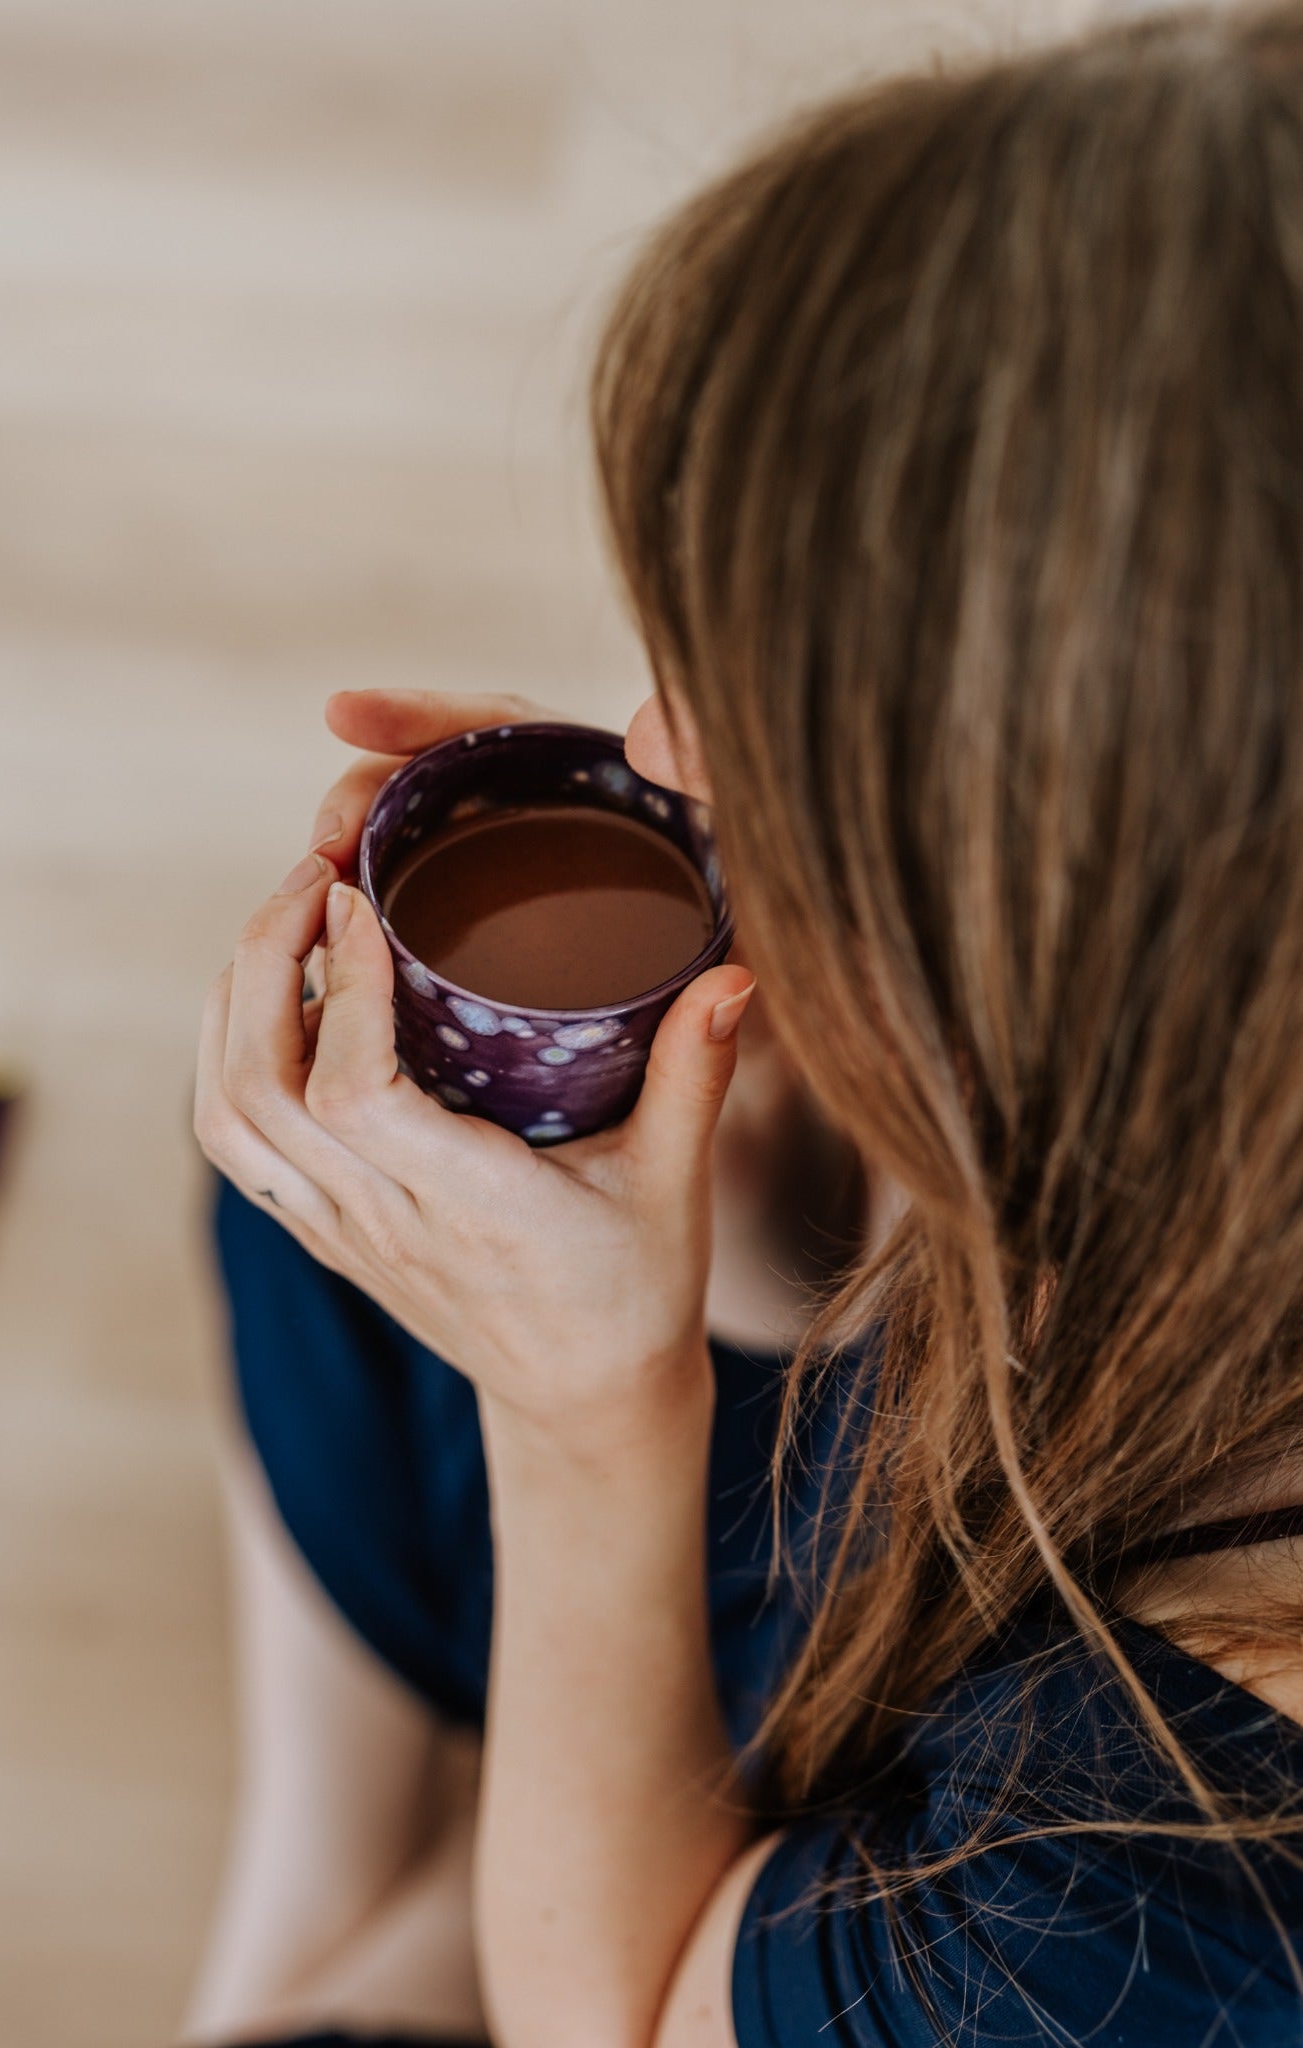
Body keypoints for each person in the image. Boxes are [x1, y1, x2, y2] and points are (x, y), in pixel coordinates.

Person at [190, 4, 1303, 2042]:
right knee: (382, 1165)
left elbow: (604, 2025)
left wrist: (582, 1413)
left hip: (767, 1919)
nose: (652, 740)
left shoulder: (1169, 1909)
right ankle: (341, 1892)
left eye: (764, 711)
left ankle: (423, 1909)